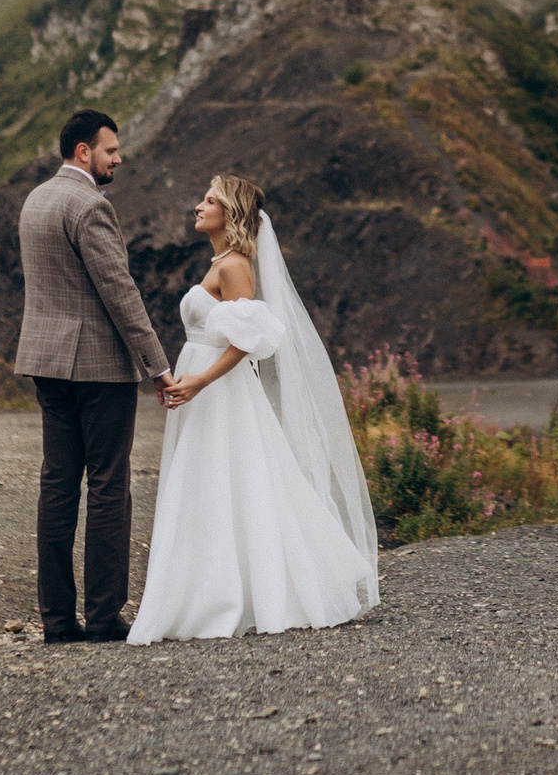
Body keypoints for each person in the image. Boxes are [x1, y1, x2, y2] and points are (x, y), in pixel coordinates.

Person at [127, 174, 380, 641]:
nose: (198, 207)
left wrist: (200, 380)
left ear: (231, 214)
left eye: (210, 201)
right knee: (212, 481)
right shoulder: (221, 261)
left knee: (232, 479)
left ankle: (236, 595)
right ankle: (209, 590)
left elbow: (250, 339)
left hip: (219, 390)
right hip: (203, 386)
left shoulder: (236, 265)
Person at [13, 108, 172, 645]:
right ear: (84, 151)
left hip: (45, 364)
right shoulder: (90, 206)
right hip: (99, 368)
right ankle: (104, 616)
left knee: (57, 485)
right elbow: (119, 291)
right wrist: (157, 363)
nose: (117, 158)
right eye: (110, 150)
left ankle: (57, 621)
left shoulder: (36, 201)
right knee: (108, 486)